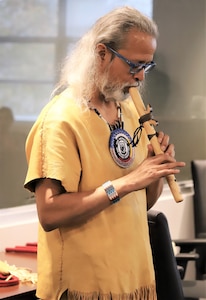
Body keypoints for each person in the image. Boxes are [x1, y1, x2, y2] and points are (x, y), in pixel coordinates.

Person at [24, 6, 185, 300]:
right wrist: (127, 182)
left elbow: (142, 203)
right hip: (84, 287)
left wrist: (152, 171)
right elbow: (49, 213)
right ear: (101, 53)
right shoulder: (61, 120)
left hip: (135, 280)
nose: (139, 77)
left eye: (147, 67)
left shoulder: (129, 111)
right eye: (133, 65)